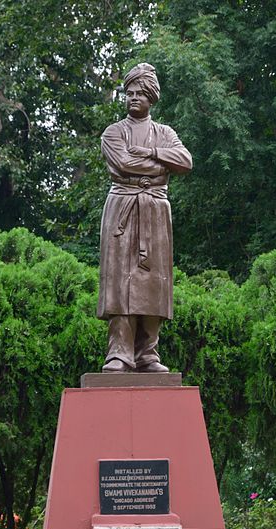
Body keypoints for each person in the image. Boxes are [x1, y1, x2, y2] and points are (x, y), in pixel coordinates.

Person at [97, 63, 192, 373]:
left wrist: (150, 153)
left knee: (153, 283)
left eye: (140, 93)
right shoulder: (114, 132)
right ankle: (119, 353)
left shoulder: (165, 132)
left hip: (154, 211)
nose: (133, 98)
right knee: (121, 283)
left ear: (151, 97)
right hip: (123, 207)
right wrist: (159, 164)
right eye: (129, 93)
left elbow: (185, 161)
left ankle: (148, 353)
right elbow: (123, 164)